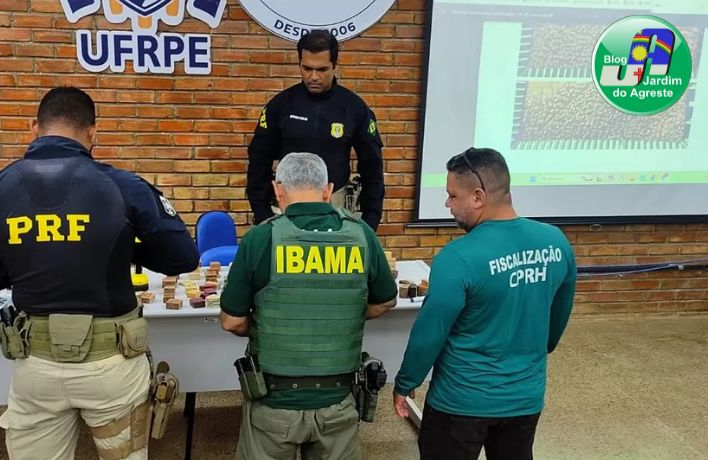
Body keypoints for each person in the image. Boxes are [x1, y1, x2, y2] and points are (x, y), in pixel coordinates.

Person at [0, 87, 200, 460]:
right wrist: (121, 249)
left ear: (34, 127)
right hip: (113, 364)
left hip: (35, 365)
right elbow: (182, 257)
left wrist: (18, 264)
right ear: (93, 133)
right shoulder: (125, 186)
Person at [392, 148, 577, 460]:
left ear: (478, 196)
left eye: (452, 195)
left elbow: (430, 333)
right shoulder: (556, 242)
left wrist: (406, 381)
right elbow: (556, 321)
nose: (447, 204)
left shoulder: (457, 257)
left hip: (460, 403)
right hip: (525, 399)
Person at [221, 152, 397, 460]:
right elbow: (385, 301)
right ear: (328, 190)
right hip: (338, 402)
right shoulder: (361, 235)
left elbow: (231, 321)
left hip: (273, 404)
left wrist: (264, 324)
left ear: (278, 190)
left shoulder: (261, 238)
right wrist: (344, 315)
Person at [246, 30, 385, 231]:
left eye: (322, 69)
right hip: (285, 209)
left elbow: (372, 169)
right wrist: (263, 217)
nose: (313, 77)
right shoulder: (281, 105)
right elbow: (258, 163)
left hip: (335, 208)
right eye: (307, 68)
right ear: (300, 64)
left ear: (335, 66)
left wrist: (370, 223)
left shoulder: (353, 108)